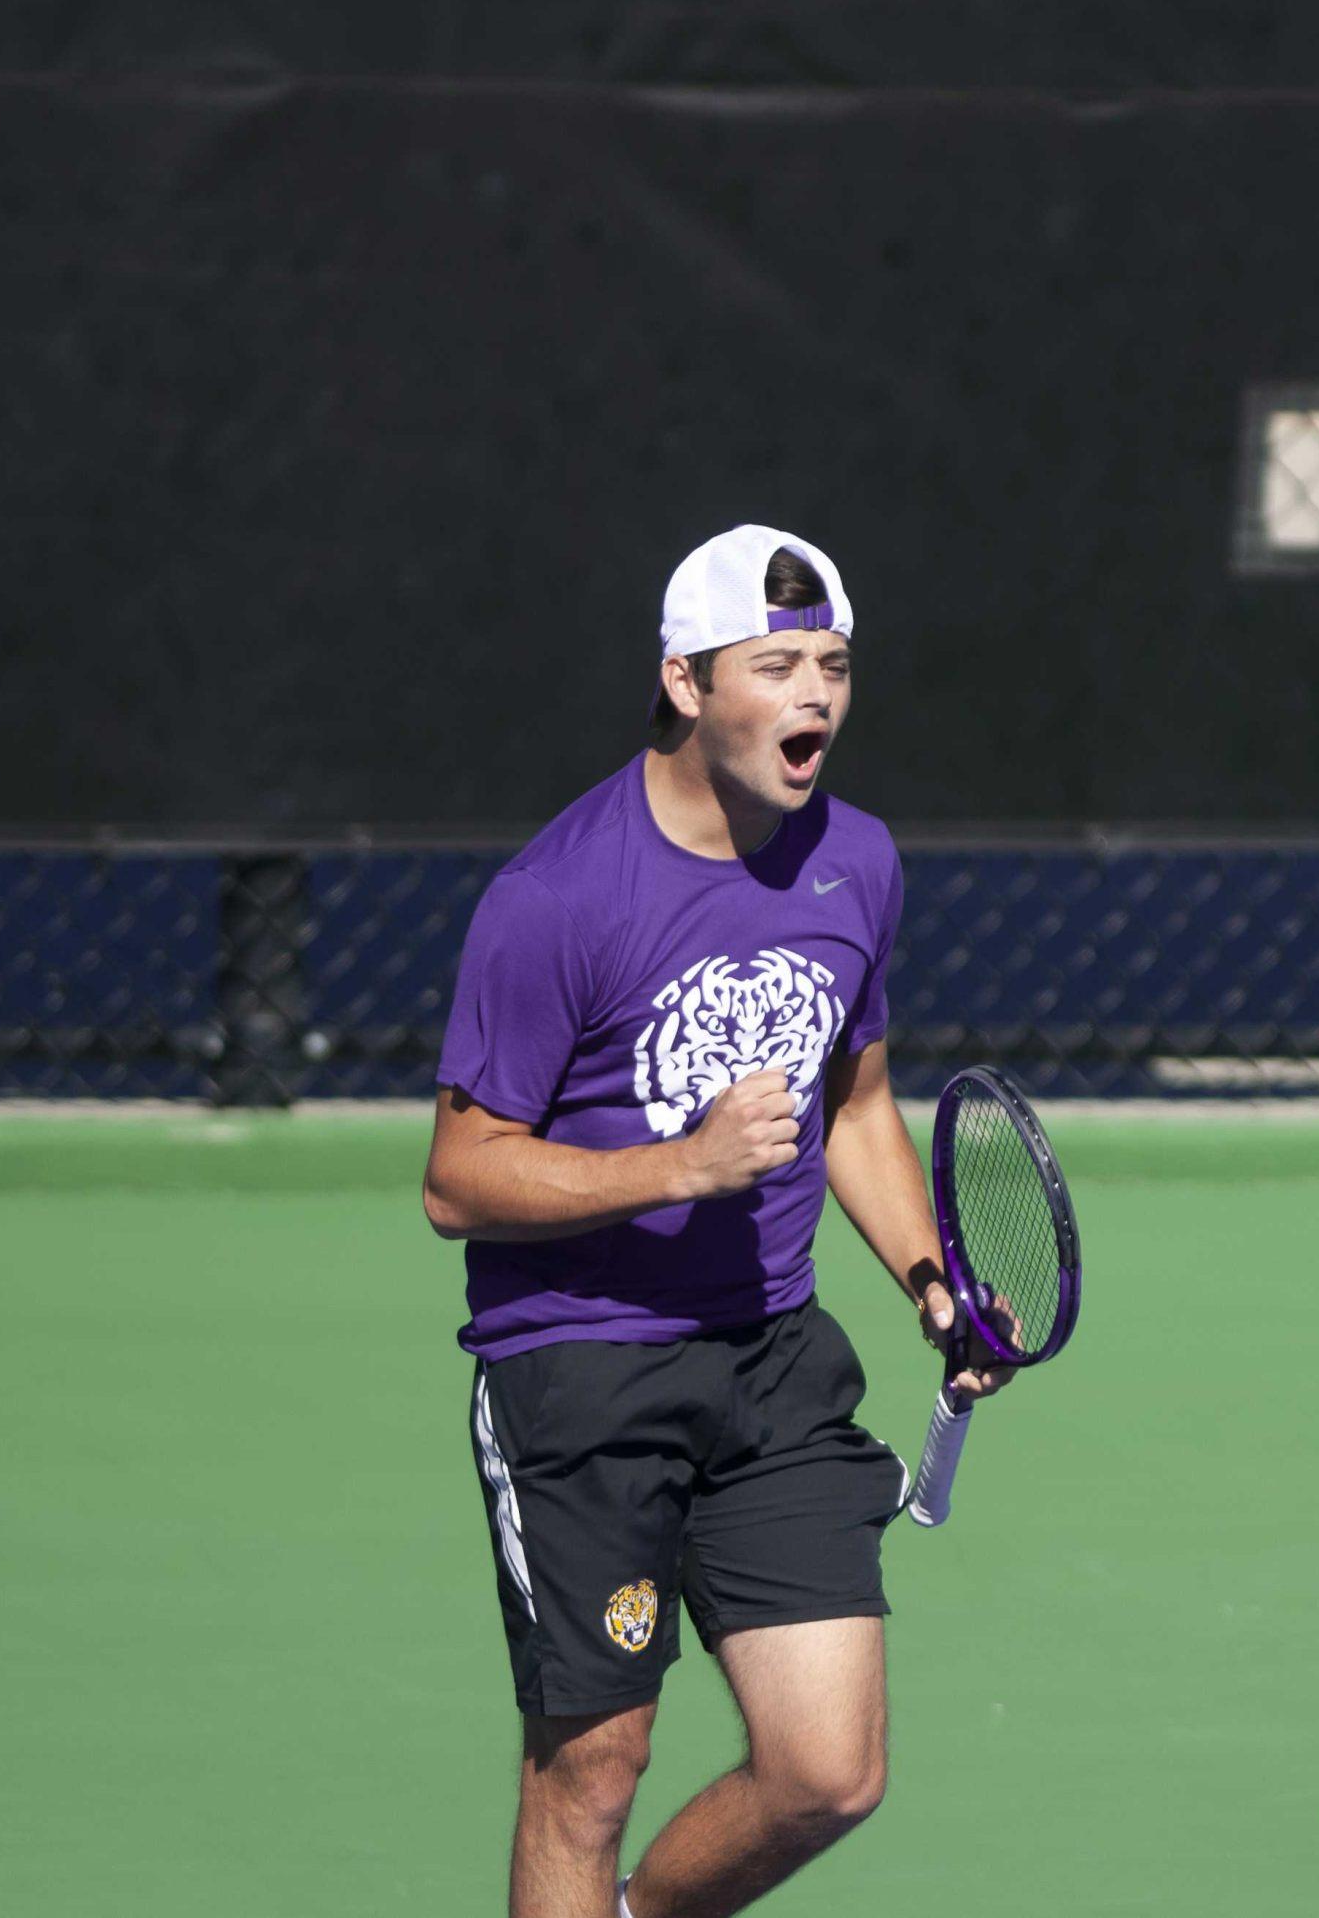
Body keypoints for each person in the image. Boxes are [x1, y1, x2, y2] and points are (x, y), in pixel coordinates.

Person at [422, 525, 1013, 1918]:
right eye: (778, 666)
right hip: (582, 1373)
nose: (814, 697)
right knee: (594, 1769)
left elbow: (856, 1104)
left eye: (834, 666)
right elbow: (458, 1176)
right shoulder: (556, 897)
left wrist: (933, 1283)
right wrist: (678, 1167)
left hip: (770, 1361)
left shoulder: (855, 863)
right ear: (687, 684)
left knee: (826, 1771)